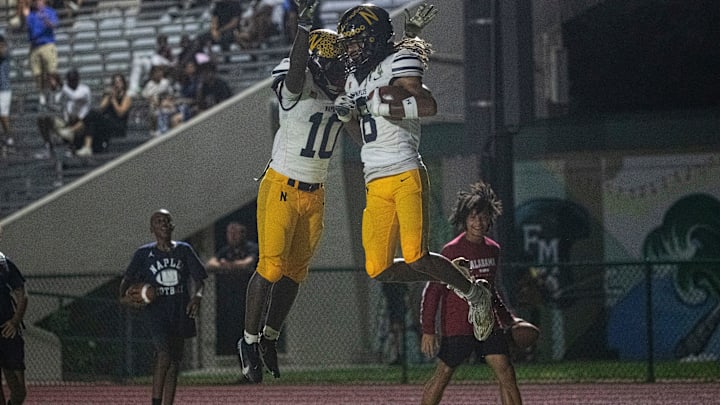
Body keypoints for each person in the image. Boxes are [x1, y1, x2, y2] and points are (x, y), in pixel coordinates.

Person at [334, 3, 498, 341]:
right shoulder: (352, 80)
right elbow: (362, 138)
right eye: (347, 42)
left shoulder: (398, 63)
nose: (350, 49)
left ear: (374, 38)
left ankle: (473, 293)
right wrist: (348, 118)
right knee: (378, 269)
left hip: (405, 169)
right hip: (374, 178)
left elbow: (428, 105)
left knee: (417, 256)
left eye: (356, 40)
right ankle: (454, 276)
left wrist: (388, 105)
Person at [237, 0, 348, 383]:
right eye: (334, 64)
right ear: (318, 63)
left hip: (315, 192)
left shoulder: (340, 94)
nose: (341, 70)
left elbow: (359, 136)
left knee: (295, 273)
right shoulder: (297, 84)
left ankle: (269, 336)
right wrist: (303, 25)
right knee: (270, 268)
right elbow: (299, 71)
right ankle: (248, 341)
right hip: (282, 186)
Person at [420, 181, 523, 405]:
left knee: (506, 373)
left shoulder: (493, 249)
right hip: (458, 325)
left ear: (490, 220)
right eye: (473, 217)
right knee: (443, 375)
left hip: (488, 323)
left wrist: (508, 319)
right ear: (464, 220)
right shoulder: (451, 250)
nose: (478, 222)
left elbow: (492, 290)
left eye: (483, 217)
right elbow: (433, 291)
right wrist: (428, 329)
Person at [119, 209, 207, 405]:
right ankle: (155, 401)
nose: (164, 224)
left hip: (180, 308)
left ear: (173, 225)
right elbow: (125, 284)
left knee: (175, 362)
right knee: (164, 353)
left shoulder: (184, 250)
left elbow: (200, 280)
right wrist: (127, 299)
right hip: (156, 311)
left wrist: (197, 297)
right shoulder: (143, 254)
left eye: (167, 221)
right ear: (152, 228)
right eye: (159, 221)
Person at [206, 222, 258, 356]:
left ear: (243, 234)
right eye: (230, 233)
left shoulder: (251, 248)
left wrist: (227, 265)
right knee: (236, 334)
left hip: (250, 297)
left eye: (236, 233)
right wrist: (227, 265)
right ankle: (246, 370)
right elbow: (210, 263)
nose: (232, 236)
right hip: (232, 298)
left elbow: (247, 263)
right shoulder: (226, 250)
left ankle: (257, 364)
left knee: (252, 333)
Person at [0, 227, 29, 405]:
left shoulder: (5, 263)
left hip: (7, 330)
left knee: (19, 391)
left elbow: (22, 294)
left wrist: (15, 321)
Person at [74, 73, 133, 157]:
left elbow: (120, 113)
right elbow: (101, 108)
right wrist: (108, 97)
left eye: (119, 81)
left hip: (118, 127)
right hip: (107, 125)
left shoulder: (127, 98)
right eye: (115, 82)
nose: (117, 84)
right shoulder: (110, 96)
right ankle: (87, 147)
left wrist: (113, 100)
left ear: (123, 83)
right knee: (91, 122)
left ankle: (73, 131)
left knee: (92, 114)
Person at [24, 0, 59, 108]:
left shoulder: (50, 11)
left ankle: (53, 94)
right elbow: (28, 28)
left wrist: (45, 18)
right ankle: (42, 94)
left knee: (51, 72)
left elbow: (54, 24)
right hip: (34, 46)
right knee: (37, 74)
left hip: (47, 44)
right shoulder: (31, 15)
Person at [53, 68, 92, 155]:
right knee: (50, 120)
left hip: (82, 123)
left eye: (74, 80)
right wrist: (54, 87)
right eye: (70, 80)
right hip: (69, 120)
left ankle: (70, 132)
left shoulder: (84, 89)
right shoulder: (65, 90)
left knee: (89, 117)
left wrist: (61, 85)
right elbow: (56, 101)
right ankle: (52, 148)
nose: (72, 82)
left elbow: (74, 96)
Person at [0, 35, 14, 156]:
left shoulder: (5, 54)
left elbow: (3, 52)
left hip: (4, 89)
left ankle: (9, 137)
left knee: (3, 114)